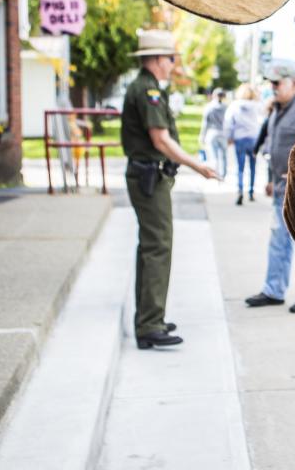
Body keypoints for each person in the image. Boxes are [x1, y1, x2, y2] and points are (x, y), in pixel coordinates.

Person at [121, 29, 219, 349]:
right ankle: (150, 324)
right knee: (158, 247)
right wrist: (198, 166)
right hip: (150, 178)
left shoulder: (147, 88)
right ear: (158, 59)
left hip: (148, 176)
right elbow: (160, 139)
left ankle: (149, 318)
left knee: (149, 247)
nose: (173, 65)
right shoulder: (147, 91)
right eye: (171, 58)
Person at [244, 62, 295, 313]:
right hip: (280, 190)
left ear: (294, 84)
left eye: (278, 83)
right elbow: (275, 147)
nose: (273, 87)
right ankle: (273, 290)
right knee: (278, 242)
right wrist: (271, 179)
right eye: (271, 83)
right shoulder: (278, 109)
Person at [224, 84, 261, 205]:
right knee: (253, 167)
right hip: (254, 139)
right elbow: (262, 123)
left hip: (239, 138)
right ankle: (251, 191)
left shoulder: (235, 105)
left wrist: (229, 137)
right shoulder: (257, 106)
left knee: (240, 168)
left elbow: (228, 122)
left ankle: (240, 191)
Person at [199, 88, 229, 178]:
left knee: (214, 156)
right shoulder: (226, 107)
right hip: (223, 133)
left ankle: (215, 174)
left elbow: (205, 123)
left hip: (212, 133)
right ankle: (223, 174)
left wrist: (202, 136)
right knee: (223, 156)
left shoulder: (209, 107)